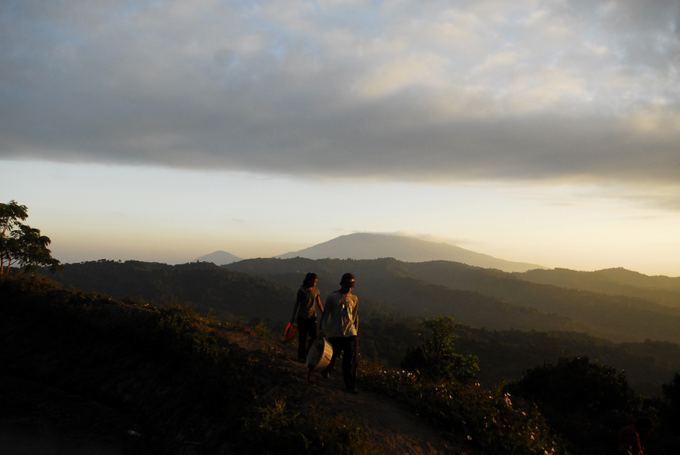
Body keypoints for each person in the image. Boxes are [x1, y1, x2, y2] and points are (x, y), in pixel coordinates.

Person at [319, 273, 359, 393]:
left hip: (350, 333)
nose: (349, 288)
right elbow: (326, 315)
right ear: (342, 284)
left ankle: (350, 386)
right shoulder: (333, 297)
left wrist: (356, 332)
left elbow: (355, 317)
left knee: (350, 361)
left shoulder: (354, 299)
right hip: (335, 333)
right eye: (347, 285)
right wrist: (322, 330)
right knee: (332, 356)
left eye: (350, 286)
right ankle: (326, 370)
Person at [290, 272, 324, 362]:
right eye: (313, 281)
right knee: (302, 338)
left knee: (314, 336)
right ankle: (301, 357)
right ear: (308, 280)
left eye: (316, 281)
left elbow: (319, 303)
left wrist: (324, 314)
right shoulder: (301, 290)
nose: (314, 283)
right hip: (302, 317)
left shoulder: (316, 290)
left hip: (312, 317)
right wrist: (293, 318)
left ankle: (307, 354)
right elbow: (297, 304)